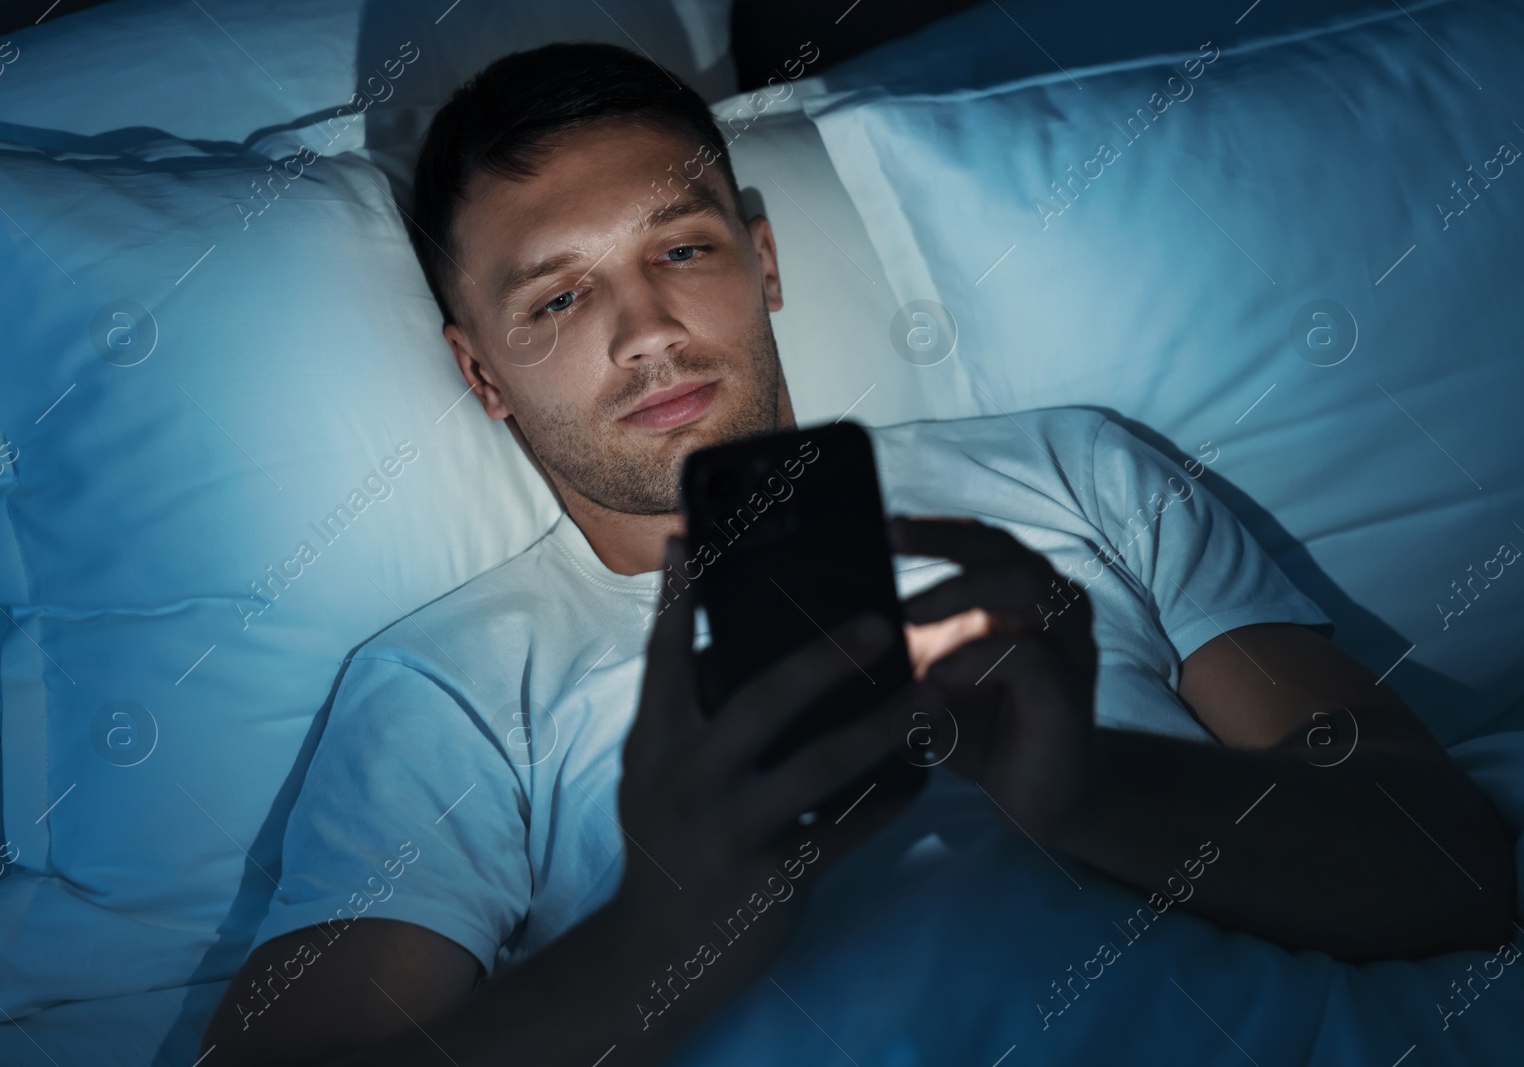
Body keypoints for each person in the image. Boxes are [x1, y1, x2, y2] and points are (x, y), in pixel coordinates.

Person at [201, 41, 1516, 1067]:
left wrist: (1093, 793)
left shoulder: (1073, 468)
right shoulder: (451, 682)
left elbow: (1457, 862)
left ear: (762, 259)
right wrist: (676, 929)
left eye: (682, 248)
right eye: (559, 298)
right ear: (481, 375)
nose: (647, 331)